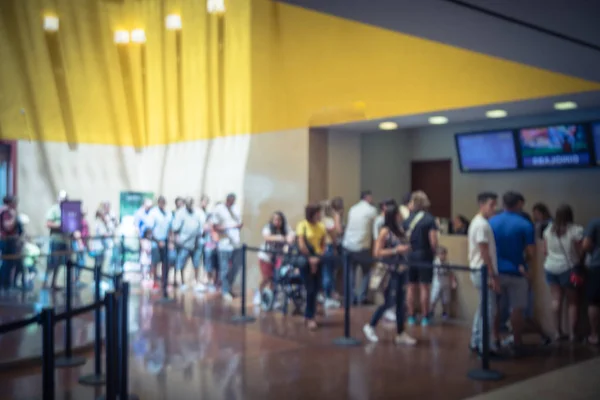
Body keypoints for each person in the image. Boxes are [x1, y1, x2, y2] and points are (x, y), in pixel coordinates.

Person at [489, 191, 536, 355]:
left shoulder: (491, 222)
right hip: (517, 271)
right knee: (517, 308)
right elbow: (531, 253)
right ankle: (517, 341)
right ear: (519, 204)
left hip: (496, 272)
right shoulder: (525, 225)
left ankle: (495, 338)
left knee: (495, 307)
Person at [362, 204, 416, 345]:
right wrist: (395, 250)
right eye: (398, 214)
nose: (401, 216)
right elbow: (377, 252)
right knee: (388, 301)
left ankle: (401, 333)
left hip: (401, 269)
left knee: (400, 302)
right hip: (389, 271)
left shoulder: (400, 230)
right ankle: (371, 325)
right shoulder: (385, 232)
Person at [543, 204, 583, 342]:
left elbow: (545, 251)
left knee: (556, 300)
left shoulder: (548, 230)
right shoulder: (576, 230)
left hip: (550, 267)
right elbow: (580, 251)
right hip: (568, 268)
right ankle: (572, 334)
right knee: (572, 303)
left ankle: (557, 333)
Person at [468, 192, 500, 356]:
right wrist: (492, 274)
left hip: (479, 271)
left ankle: (476, 340)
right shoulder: (481, 225)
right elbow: (484, 251)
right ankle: (484, 346)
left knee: (482, 308)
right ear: (482, 205)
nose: (494, 208)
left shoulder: (479, 222)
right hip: (483, 271)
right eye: (491, 205)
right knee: (488, 310)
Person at [403, 191, 438, 326]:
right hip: (424, 256)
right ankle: (425, 317)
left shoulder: (407, 220)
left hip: (410, 255)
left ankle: (411, 316)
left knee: (411, 287)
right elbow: (433, 242)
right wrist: (434, 252)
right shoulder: (430, 219)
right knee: (425, 287)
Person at [342, 190, 378, 305]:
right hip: (363, 246)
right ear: (367, 197)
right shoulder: (371, 210)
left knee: (350, 273)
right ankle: (361, 296)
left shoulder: (353, 209)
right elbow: (376, 226)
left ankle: (351, 298)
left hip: (348, 244)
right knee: (367, 272)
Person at [296, 204, 327, 330]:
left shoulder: (321, 226)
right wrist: (310, 259)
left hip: (318, 259)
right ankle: (310, 317)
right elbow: (301, 244)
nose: (320, 215)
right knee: (310, 289)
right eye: (318, 213)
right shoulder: (302, 225)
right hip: (306, 259)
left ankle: (309, 314)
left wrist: (318, 258)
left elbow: (323, 244)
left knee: (316, 289)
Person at [256, 211, 293, 305]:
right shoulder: (267, 228)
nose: (277, 221)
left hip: (278, 257)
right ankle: (258, 294)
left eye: (279, 219)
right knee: (266, 278)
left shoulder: (286, 228)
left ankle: (272, 299)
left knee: (275, 279)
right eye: (275, 219)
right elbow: (267, 237)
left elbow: (291, 236)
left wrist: (289, 239)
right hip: (266, 257)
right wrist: (280, 238)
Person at [212, 193, 243, 301]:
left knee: (236, 267)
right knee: (224, 268)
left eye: (233, 200)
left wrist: (238, 226)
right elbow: (215, 226)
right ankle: (225, 290)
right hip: (224, 244)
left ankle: (228, 286)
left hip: (236, 243)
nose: (232, 202)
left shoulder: (236, 209)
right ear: (226, 199)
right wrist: (229, 227)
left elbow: (239, 223)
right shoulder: (219, 209)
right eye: (230, 200)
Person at [172, 197, 204, 291]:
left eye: (191, 203)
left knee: (196, 263)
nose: (189, 205)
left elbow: (201, 225)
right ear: (185, 204)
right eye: (188, 203)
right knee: (182, 263)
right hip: (184, 244)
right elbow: (175, 228)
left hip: (196, 243)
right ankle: (182, 281)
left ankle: (196, 281)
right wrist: (177, 240)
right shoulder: (180, 213)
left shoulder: (198, 212)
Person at [149, 196, 173, 296]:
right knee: (155, 263)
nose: (162, 204)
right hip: (155, 242)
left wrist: (170, 241)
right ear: (158, 202)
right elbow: (149, 231)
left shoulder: (168, 214)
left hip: (165, 242)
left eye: (164, 202)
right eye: (161, 202)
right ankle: (154, 282)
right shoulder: (153, 213)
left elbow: (170, 229)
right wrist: (157, 241)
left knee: (166, 263)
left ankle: (164, 283)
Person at [44, 190, 68, 290]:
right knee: (52, 262)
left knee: (59, 263)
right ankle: (45, 283)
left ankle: (53, 283)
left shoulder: (67, 210)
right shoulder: (54, 209)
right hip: (56, 240)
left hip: (64, 240)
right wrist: (60, 226)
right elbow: (48, 223)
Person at [320, 201, 342, 309]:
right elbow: (335, 234)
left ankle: (324, 294)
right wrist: (335, 247)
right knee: (328, 272)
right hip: (328, 247)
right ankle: (328, 296)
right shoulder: (329, 221)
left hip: (319, 248)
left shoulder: (318, 221)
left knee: (324, 272)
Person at [582, 217, 600, 345]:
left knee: (594, 302)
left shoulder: (595, 223)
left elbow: (586, 245)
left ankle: (594, 335)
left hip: (597, 265)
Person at [0, 196, 22, 292]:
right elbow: (8, 226)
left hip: (10, 241)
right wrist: (14, 217)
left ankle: (7, 284)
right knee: (7, 263)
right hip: (7, 241)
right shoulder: (6, 212)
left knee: (11, 263)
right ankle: (5, 285)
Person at [429, 246, 456, 320]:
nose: (442, 256)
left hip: (446, 283)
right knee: (434, 298)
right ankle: (431, 312)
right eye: (441, 254)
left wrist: (453, 282)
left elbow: (451, 273)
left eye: (444, 254)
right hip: (437, 283)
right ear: (437, 255)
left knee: (446, 300)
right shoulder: (436, 262)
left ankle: (445, 313)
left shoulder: (447, 263)